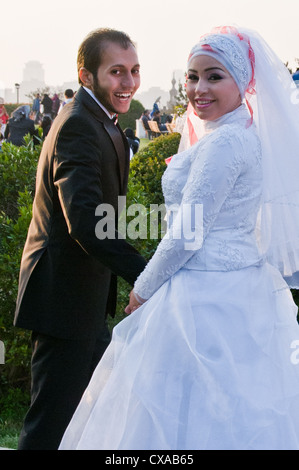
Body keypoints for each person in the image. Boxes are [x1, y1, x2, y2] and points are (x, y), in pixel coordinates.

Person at [59, 26, 299, 451]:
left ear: (242, 81)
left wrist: (143, 290)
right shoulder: (233, 132)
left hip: (204, 296)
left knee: (183, 414)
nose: (198, 88)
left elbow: (187, 234)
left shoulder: (227, 142)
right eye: (192, 76)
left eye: (214, 76)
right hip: (236, 288)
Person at [14, 27, 147, 450]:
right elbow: (87, 222)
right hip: (62, 304)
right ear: (86, 75)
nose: (128, 82)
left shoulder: (100, 120)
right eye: (116, 72)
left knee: (87, 425)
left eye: (134, 70)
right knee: (50, 429)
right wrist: (148, 275)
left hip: (84, 301)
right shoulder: (77, 125)